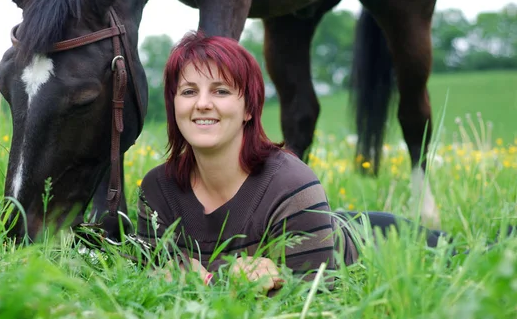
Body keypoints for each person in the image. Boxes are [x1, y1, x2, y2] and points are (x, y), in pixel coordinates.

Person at [136, 32, 446, 292]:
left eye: (221, 90)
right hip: (317, 223)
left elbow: (318, 291)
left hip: (379, 239)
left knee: (466, 253)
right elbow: (148, 278)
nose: (202, 104)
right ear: (173, 105)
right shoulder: (157, 189)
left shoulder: (290, 183)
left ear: (248, 109)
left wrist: (214, 278)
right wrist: (177, 277)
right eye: (189, 91)